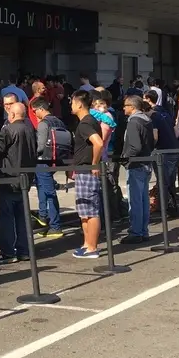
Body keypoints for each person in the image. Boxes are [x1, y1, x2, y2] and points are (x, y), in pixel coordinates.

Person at [0, 102, 36, 265]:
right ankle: (24, 250)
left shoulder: (9, 130)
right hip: (24, 179)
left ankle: (7, 251)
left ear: (12, 115)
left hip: (8, 178)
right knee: (21, 217)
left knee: (7, 217)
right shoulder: (30, 129)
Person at [70, 91, 104, 258]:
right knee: (84, 210)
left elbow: (98, 142)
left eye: (72, 102)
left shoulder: (85, 123)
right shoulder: (88, 121)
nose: (71, 106)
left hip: (87, 171)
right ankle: (87, 244)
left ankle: (92, 248)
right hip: (82, 170)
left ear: (79, 104)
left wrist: (94, 164)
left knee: (90, 210)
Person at [30, 97, 68, 238]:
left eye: (35, 111)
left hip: (43, 161)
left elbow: (40, 147)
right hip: (55, 160)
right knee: (45, 190)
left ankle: (55, 226)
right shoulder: (59, 121)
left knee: (49, 192)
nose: (34, 114)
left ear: (41, 109)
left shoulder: (43, 124)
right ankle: (43, 218)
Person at [120, 95, 155, 244]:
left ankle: (136, 231)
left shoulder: (134, 121)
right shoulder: (147, 120)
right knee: (143, 199)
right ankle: (143, 230)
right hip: (146, 162)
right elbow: (152, 141)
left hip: (136, 164)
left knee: (135, 200)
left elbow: (135, 146)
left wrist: (125, 157)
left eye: (126, 105)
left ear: (132, 107)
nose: (123, 108)